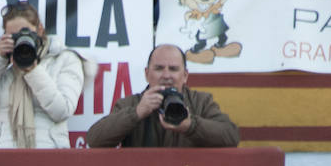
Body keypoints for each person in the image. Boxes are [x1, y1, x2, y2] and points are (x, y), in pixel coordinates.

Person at [0, 1, 87, 149]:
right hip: (6, 154)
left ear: (40, 30)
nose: (21, 40)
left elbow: (62, 110)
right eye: (14, 35)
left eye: (27, 33)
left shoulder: (64, 59)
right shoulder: (1, 64)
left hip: (50, 155)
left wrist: (32, 70)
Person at [84, 44, 239, 149]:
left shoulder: (201, 102)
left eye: (173, 69)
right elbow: (94, 140)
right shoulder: (131, 103)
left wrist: (190, 125)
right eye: (159, 68)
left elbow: (231, 137)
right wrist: (136, 113)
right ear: (147, 74)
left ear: (184, 76)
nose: (166, 75)